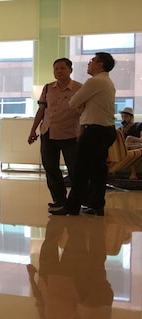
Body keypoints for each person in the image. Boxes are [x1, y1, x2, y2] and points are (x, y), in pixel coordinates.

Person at [52, 52, 117, 216]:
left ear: (100, 64)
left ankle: (72, 206)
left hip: (94, 131)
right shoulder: (107, 82)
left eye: (92, 61)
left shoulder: (94, 81)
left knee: (80, 170)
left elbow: (73, 102)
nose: (89, 64)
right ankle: (97, 205)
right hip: (106, 130)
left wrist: (82, 104)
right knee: (98, 170)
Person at [28, 58, 82, 213]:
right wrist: (33, 130)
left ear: (70, 70)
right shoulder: (48, 88)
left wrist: (82, 132)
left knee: (74, 169)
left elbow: (84, 112)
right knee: (50, 167)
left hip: (70, 134)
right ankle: (59, 199)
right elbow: (41, 111)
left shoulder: (79, 88)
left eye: (62, 68)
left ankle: (76, 201)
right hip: (48, 132)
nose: (59, 71)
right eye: (56, 68)